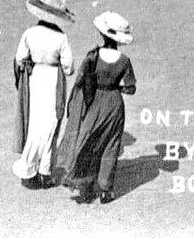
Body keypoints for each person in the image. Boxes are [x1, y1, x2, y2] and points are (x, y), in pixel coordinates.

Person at [56, 11, 136, 204]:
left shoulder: (92, 56)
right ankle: (106, 190)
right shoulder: (124, 60)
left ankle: (85, 184)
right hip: (114, 104)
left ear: (102, 34)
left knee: (88, 141)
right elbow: (131, 88)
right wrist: (116, 87)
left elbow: (81, 80)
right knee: (111, 145)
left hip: (92, 102)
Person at [13, 0, 74, 190]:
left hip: (35, 78)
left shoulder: (29, 33)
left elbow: (20, 58)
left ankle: (28, 168)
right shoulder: (61, 38)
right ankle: (45, 171)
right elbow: (69, 68)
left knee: (35, 124)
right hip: (53, 80)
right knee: (51, 126)